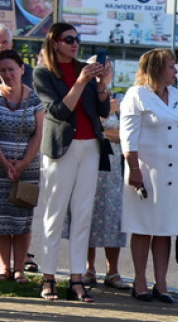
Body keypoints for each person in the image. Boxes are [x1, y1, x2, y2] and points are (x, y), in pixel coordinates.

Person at [33, 22, 112, 303]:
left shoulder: (84, 69)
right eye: (68, 39)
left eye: (77, 39)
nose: (74, 44)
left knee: (82, 215)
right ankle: (48, 277)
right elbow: (59, 111)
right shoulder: (43, 73)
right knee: (54, 214)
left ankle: (77, 279)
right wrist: (81, 81)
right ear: (54, 43)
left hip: (90, 146)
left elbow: (101, 110)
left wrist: (103, 85)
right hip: (61, 149)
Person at [120, 49, 178, 303]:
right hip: (147, 170)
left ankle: (161, 282)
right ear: (155, 69)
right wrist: (133, 168)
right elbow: (128, 137)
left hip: (174, 170)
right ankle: (139, 279)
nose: (175, 71)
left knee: (165, 229)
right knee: (143, 227)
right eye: (171, 67)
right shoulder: (136, 95)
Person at [63, 87, 128, 291]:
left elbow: (126, 134)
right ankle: (88, 269)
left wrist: (102, 129)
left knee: (113, 216)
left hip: (113, 169)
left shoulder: (120, 101)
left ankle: (113, 271)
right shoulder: (86, 101)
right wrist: (104, 120)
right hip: (88, 164)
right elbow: (85, 128)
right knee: (86, 214)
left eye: (107, 69)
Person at [0, 49, 43, 282]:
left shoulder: (34, 99)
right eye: (3, 71)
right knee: (2, 220)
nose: (8, 74)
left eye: (11, 69)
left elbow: (38, 134)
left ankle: (19, 269)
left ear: (22, 70)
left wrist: (24, 162)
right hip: (1, 167)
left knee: (23, 219)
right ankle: (4, 267)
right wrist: (5, 163)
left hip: (28, 168)